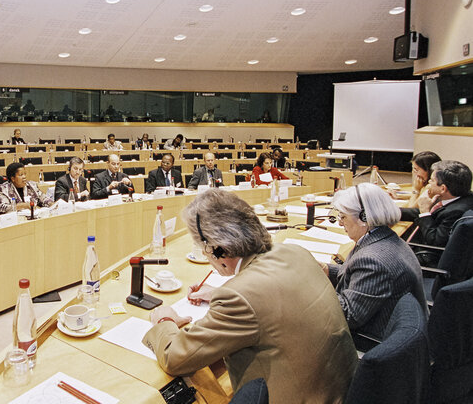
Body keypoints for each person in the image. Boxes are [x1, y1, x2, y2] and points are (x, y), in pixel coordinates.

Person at [143, 189, 357, 402]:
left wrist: (165, 320)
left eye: (203, 248)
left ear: (217, 250)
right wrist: (219, 292)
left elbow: (176, 358)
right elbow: (273, 297)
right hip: (342, 390)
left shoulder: (237, 299)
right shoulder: (295, 252)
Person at [323, 184, 426, 342]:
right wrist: (327, 270)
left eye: (343, 216)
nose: (340, 223)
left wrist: (311, 287)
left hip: (369, 339)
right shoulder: (383, 237)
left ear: (364, 218)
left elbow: (348, 316)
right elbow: (356, 276)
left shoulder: (372, 260)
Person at [400, 160, 473, 262]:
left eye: (432, 180)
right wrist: (393, 212)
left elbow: (434, 241)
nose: (429, 182)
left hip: (427, 258)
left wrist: (425, 211)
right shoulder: (459, 196)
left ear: (443, 188)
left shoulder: (456, 212)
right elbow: (428, 214)